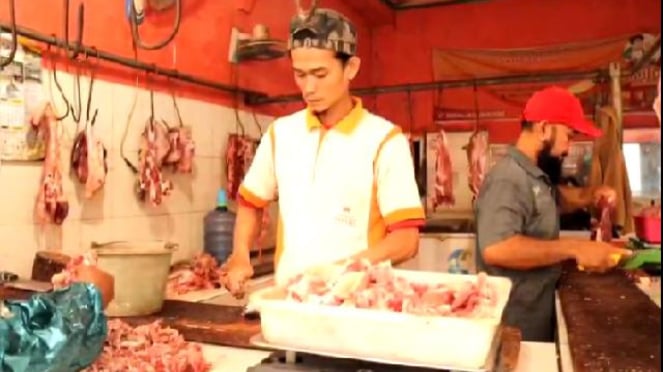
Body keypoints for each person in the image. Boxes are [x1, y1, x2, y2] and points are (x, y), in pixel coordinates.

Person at [220, 7, 424, 296]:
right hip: (291, 301)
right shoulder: (282, 134)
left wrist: (339, 271)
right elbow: (251, 203)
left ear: (350, 68)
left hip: (357, 304)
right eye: (300, 75)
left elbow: (406, 240)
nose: (309, 87)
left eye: (320, 73)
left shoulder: (384, 141)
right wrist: (240, 254)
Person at [474, 86, 632, 342]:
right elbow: (496, 248)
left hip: (535, 313)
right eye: (568, 136)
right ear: (544, 128)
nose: (568, 148)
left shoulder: (533, 175)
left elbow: (551, 200)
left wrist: (590, 194)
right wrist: (574, 248)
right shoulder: (508, 177)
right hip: (514, 323)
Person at [1, 266, 114, 371]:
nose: (67, 271)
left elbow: (52, 350)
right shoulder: (58, 306)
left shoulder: (79, 304)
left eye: (76, 273)